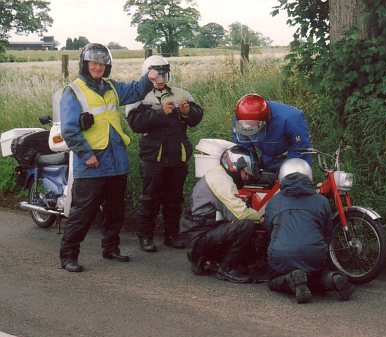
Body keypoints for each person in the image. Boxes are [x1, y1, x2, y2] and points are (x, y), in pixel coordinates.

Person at [59, 43, 158, 273]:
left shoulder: (112, 87)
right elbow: (70, 131)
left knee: (115, 211)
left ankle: (110, 249)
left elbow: (134, 91)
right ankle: (68, 256)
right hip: (92, 163)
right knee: (83, 213)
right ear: (85, 64)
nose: (98, 68)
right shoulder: (73, 91)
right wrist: (87, 155)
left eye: (102, 64)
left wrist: (148, 78)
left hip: (116, 161)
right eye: (94, 63)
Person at [126, 55, 203, 253]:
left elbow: (196, 118)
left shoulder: (181, 93)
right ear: (147, 75)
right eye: (156, 75)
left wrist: (187, 112)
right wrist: (161, 113)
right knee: (150, 197)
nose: (160, 79)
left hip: (178, 154)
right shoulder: (139, 96)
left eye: (163, 74)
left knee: (175, 197)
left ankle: (172, 235)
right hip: (154, 155)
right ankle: (145, 237)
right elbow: (136, 124)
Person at [263, 158, 355, 303]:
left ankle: (293, 278)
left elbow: (269, 228)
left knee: (273, 280)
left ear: (282, 177)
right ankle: (332, 279)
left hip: (282, 254)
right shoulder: (321, 201)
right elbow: (328, 232)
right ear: (309, 176)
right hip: (314, 254)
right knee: (315, 274)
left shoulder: (274, 201)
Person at [180, 146, 262, 284]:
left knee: (240, 225)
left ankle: (204, 257)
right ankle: (226, 269)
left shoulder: (218, 175)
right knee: (246, 225)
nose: (246, 177)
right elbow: (241, 214)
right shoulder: (222, 181)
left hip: (198, 231)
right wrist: (262, 218)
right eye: (245, 173)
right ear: (235, 166)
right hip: (198, 235)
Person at [232, 93, 312, 173]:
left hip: (293, 154)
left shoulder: (292, 119)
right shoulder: (242, 115)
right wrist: (251, 163)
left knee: (294, 179)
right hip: (268, 156)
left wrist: (287, 169)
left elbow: (300, 146)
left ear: (265, 121)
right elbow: (243, 145)